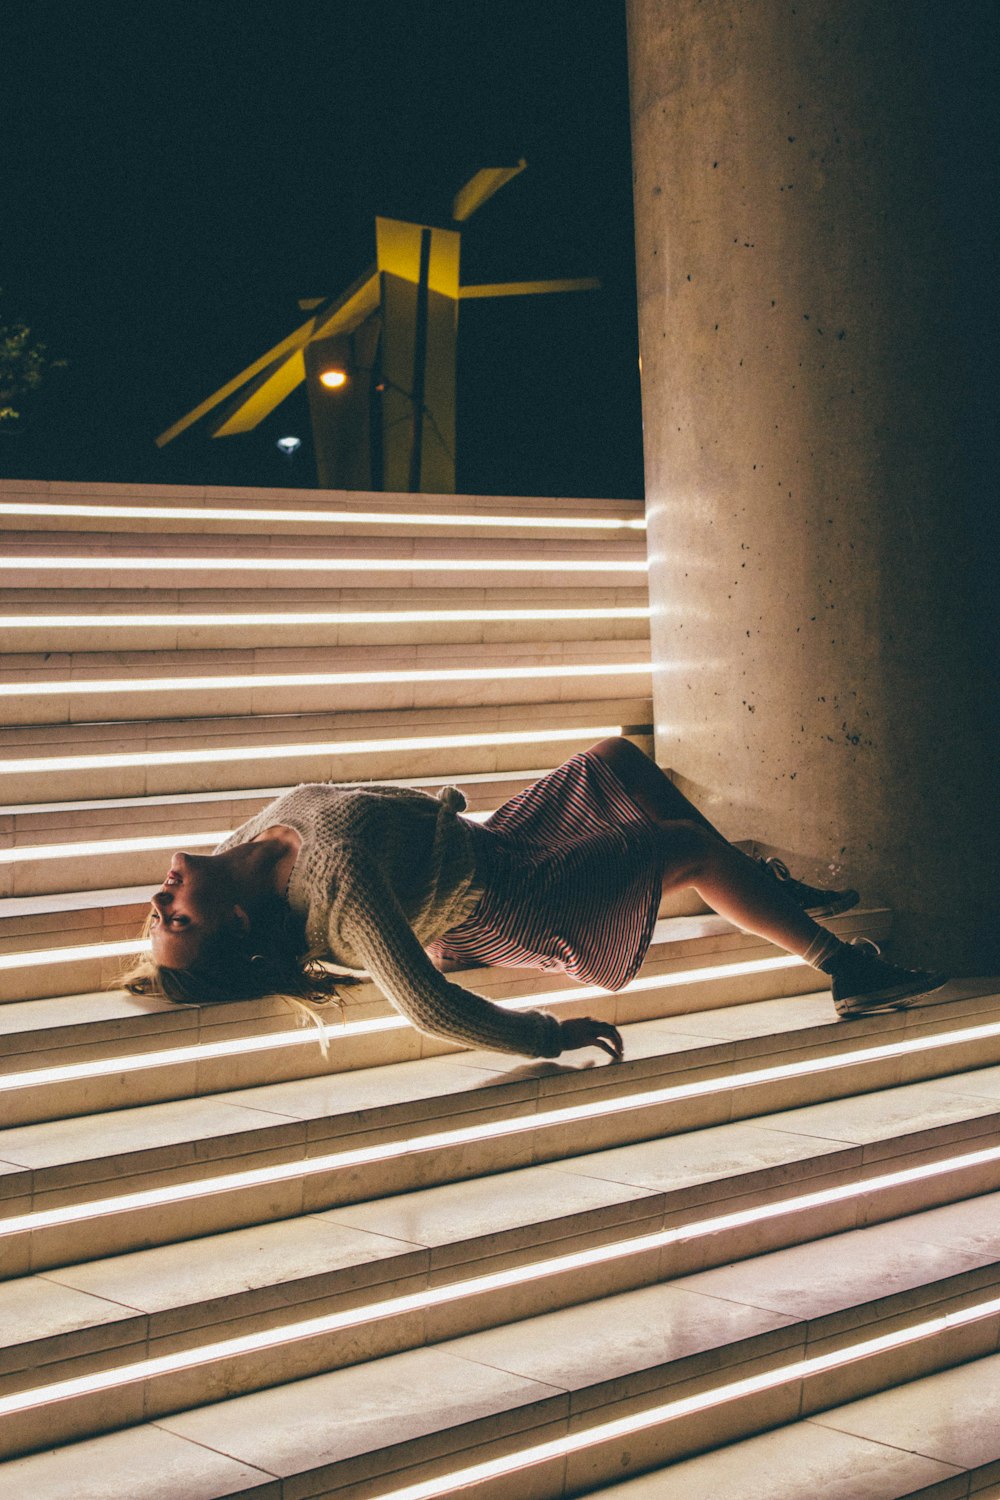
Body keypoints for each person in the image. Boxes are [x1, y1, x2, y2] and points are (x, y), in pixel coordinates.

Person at [124, 738, 946, 1060]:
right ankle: (846, 971)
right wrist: (547, 1036)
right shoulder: (333, 884)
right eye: (178, 925)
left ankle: (759, 886)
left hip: (488, 843)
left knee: (618, 763)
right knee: (683, 852)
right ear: (233, 921)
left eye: (159, 920)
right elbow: (429, 1009)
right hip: (513, 893)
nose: (162, 907)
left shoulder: (248, 844)